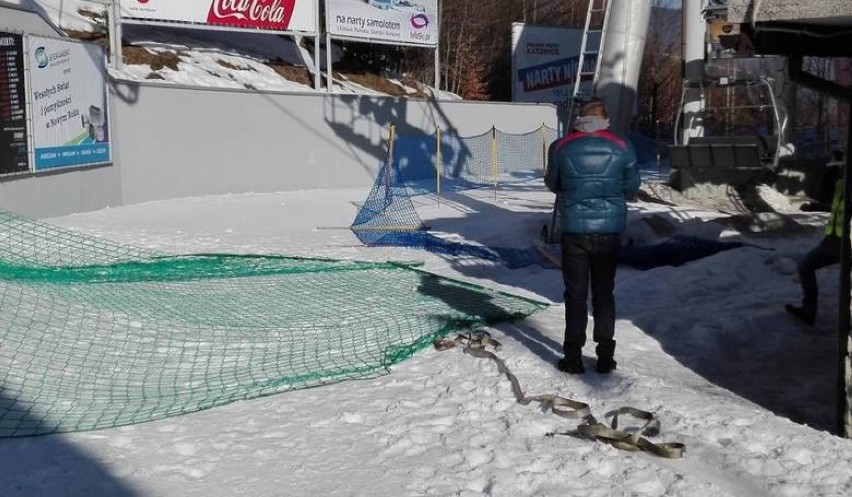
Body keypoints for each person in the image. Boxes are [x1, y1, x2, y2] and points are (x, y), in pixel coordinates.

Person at [544, 99, 640, 374]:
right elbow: (632, 185)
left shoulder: (561, 146)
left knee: (575, 295)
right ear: (605, 118)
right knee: (604, 293)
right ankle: (605, 357)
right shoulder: (622, 146)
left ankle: (572, 356)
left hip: (574, 230)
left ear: (579, 118)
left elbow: (553, 182)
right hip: (609, 231)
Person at [786, 160, 845, 325]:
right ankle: (808, 311)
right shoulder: (841, 186)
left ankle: (810, 311)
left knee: (807, 266)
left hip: (843, 241)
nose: (840, 169)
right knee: (806, 266)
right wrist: (815, 207)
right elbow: (836, 209)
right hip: (833, 239)